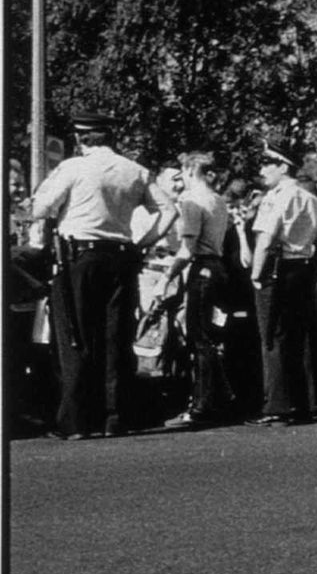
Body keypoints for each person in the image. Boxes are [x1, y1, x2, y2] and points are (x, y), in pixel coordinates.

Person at [30, 111, 177, 439]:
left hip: (80, 256)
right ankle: (115, 417)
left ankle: (76, 421)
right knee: (116, 336)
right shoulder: (135, 170)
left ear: (82, 139)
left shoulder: (73, 167)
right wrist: (143, 243)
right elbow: (168, 210)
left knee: (75, 335)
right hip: (122, 256)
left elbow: (41, 209)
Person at [248, 141, 317, 426]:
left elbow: (266, 239)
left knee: (272, 336)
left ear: (283, 166)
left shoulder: (278, 197)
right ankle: (301, 403)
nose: (262, 170)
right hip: (302, 269)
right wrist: (312, 274)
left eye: (267, 164)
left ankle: (277, 405)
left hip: (277, 268)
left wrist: (256, 274)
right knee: (296, 337)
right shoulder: (310, 198)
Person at [161, 151, 235, 427]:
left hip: (201, 268)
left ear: (191, 171)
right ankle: (222, 394)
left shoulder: (192, 201)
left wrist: (166, 276)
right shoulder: (218, 201)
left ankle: (201, 405)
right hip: (217, 267)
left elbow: (187, 247)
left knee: (198, 337)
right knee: (209, 337)